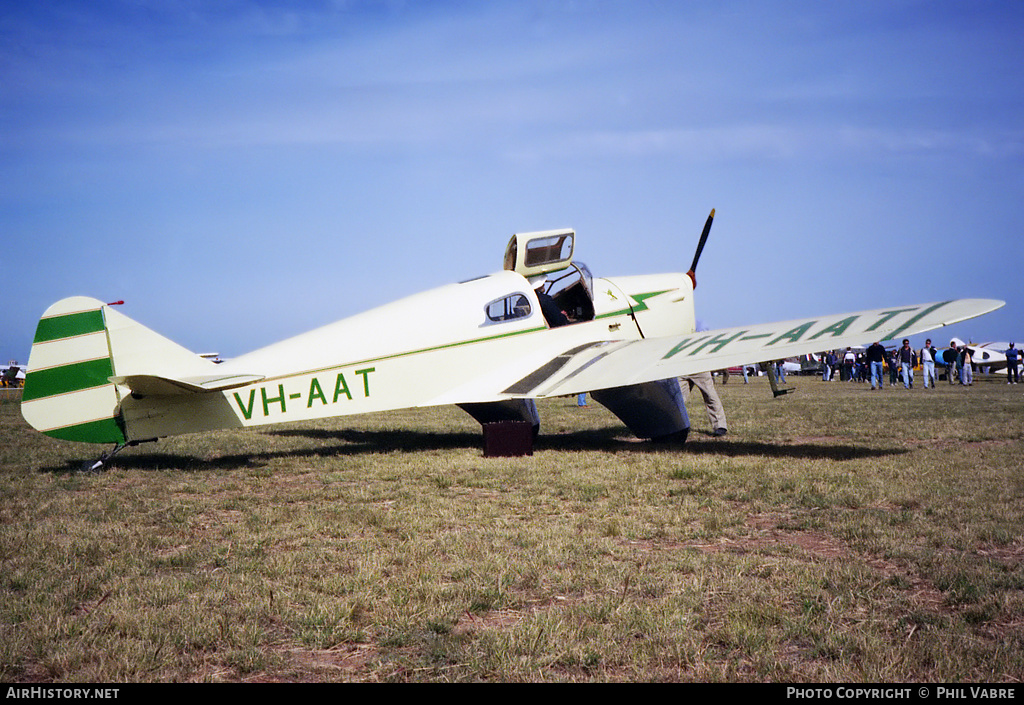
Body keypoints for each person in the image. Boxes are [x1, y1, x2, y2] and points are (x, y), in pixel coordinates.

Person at [680, 371, 727, 436]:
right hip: (681, 370)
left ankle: (720, 426)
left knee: (711, 396)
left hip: (700, 369)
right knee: (677, 400)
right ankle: (678, 426)